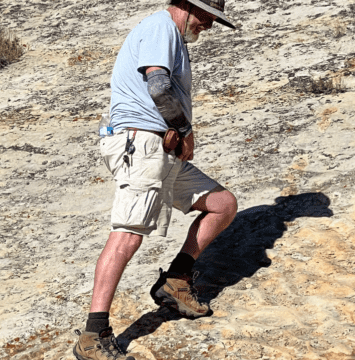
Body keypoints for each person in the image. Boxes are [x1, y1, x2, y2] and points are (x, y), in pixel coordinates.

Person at [73, 1, 238, 359]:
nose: (209, 25)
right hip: (143, 145)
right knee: (128, 235)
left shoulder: (171, 35)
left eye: (214, 18)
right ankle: (92, 335)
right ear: (183, 4)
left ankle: (175, 281)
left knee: (222, 205)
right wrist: (184, 129)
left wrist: (176, 134)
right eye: (207, 15)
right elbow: (159, 85)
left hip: (160, 149)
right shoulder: (161, 27)